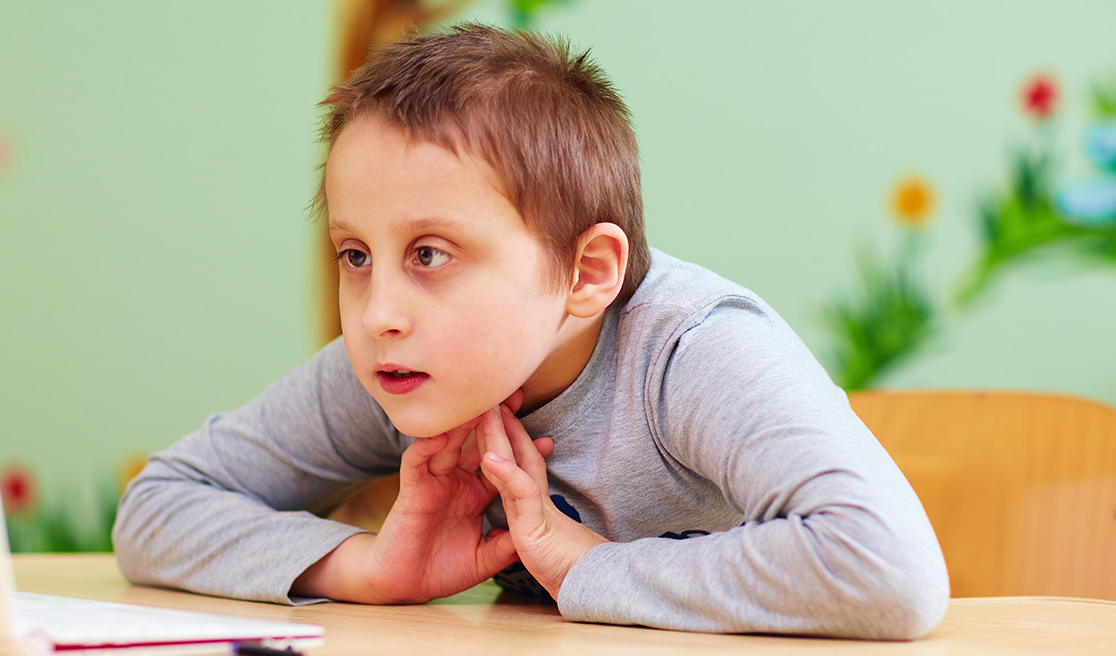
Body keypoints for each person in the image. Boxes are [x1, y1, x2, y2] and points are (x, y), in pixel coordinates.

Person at [113, 23, 949, 640]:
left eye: (431, 254)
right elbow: (158, 507)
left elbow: (888, 569)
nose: (378, 312)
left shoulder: (693, 356)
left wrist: (586, 566)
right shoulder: (403, 363)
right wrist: (369, 568)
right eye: (356, 254)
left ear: (585, 275)